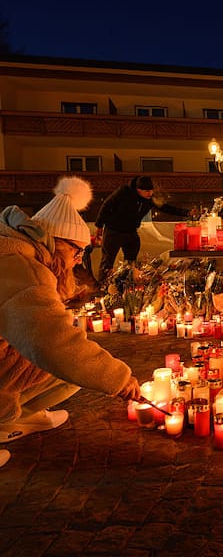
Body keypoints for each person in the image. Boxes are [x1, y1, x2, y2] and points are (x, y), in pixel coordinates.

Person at [0, 177, 142, 468]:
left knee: (75, 360)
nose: (78, 261)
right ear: (56, 242)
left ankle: (21, 418)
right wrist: (119, 379)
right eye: (77, 252)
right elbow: (52, 341)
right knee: (70, 359)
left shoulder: (18, 253)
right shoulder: (22, 268)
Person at [95, 176, 188, 282]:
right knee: (108, 259)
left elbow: (165, 207)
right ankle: (102, 284)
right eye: (147, 191)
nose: (150, 193)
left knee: (131, 259)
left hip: (131, 230)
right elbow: (106, 205)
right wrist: (99, 225)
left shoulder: (150, 199)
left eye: (151, 190)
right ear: (139, 190)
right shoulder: (124, 192)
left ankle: (127, 282)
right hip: (113, 229)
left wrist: (186, 213)